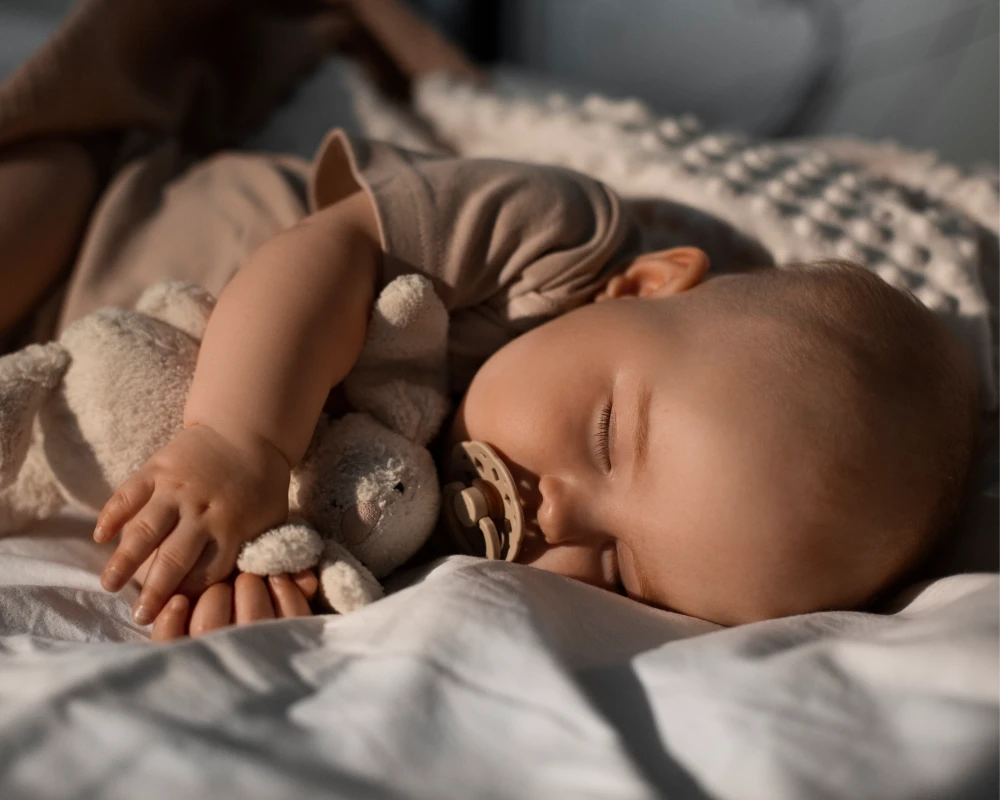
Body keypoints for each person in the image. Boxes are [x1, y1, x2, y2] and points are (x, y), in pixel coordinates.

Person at [0, 1, 980, 641]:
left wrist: (254, 575)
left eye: (623, 569)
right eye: (605, 433)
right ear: (639, 289)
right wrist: (236, 441)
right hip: (96, 212)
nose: (556, 514)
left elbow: (315, 529)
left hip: (68, 390)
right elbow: (322, 257)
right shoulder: (553, 244)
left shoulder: (466, 547)